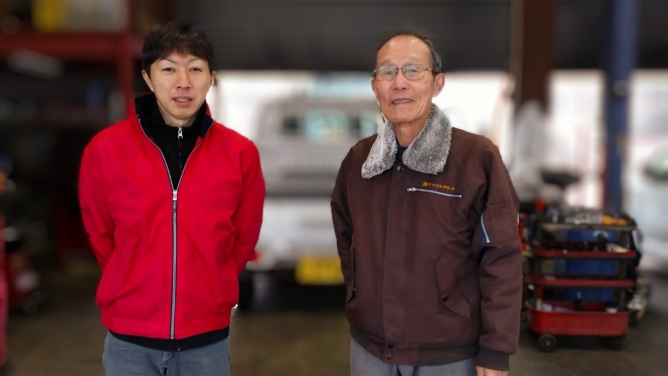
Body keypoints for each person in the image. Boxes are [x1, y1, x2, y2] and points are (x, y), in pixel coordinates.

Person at [79, 22, 265, 376]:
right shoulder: (105, 151)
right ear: (148, 79)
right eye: (168, 68)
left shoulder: (240, 154)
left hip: (206, 341)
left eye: (195, 68)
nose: (183, 81)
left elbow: (244, 235)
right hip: (129, 342)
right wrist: (129, 277)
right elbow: (99, 232)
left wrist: (216, 281)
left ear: (211, 78)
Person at [331, 32, 522, 376]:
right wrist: (359, 297)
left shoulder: (476, 159)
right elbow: (347, 241)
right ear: (375, 87)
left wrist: (496, 350)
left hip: (449, 355)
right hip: (369, 350)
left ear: (437, 83)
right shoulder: (359, 161)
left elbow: (502, 257)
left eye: (413, 70)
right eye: (387, 72)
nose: (399, 83)